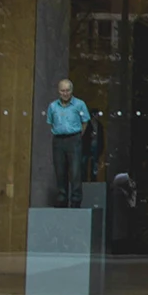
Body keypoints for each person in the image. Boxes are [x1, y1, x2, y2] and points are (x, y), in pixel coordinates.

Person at [46, 79, 91, 207]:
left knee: (75, 171)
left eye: (67, 90)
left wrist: (77, 135)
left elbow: (85, 122)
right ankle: (62, 199)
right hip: (58, 139)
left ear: (72, 90)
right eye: (62, 91)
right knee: (60, 170)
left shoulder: (79, 104)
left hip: (74, 138)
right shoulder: (53, 106)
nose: (65, 93)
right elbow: (50, 122)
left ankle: (76, 200)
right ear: (58, 91)